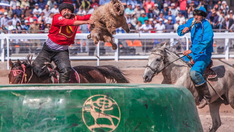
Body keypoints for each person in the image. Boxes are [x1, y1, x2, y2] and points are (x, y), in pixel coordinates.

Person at [33, 0, 93, 83]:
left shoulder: (75, 17)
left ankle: (61, 89)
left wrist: (100, 14)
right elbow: (68, 22)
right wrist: (86, 22)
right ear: (60, 11)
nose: (66, 12)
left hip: (62, 51)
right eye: (64, 10)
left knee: (66, 70)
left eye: (68, 10)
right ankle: (50, 77)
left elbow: (88, 16)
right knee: (36, 66)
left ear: (72, 12)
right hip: (47, 49)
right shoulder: (57, 17)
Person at [177, 6, 213, 109]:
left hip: (204, 54)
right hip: (193, 54)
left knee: (194, 72)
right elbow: (180, 32)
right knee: (179, 66)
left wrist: (192, 50)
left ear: (203, 16)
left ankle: (206, 97)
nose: (196, 17)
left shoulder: (207, 26)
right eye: (195, 15)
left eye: (198, 15)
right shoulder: (191, 22)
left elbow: (206, 41)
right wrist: (183, 30)